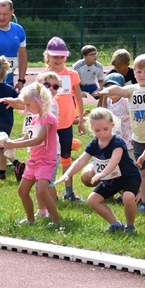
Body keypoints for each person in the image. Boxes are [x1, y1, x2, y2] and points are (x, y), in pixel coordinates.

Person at [55, 107, 141, 233]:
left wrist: (102, 173)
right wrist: (67, 174)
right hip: (111, 179)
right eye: (97, 130)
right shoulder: (94, 144)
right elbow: (81, 160)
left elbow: (115, 160)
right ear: (92, 128)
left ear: (112, 125)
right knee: (92, 200)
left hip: (129, 177)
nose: (102, 133)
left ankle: (130, 226)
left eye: (105, 129)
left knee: (127, 197)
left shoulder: (118, 142)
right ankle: (116, 224)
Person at [95, 53, 145, 212]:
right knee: (144, 172)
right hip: (138, 138)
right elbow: (118, 89)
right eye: (139, 71)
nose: (142, 75)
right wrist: (107, 90)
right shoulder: (132, 89)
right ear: (134, 73)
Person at [0, 82, 60, 224]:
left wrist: (13, 145)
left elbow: (37, 140)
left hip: (46, 161)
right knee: (22, 191)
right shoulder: (35, 118)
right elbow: (26, 138)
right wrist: (6, 143)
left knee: (42, 191)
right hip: (34, 161)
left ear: (40, 101)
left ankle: (56, 221)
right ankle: (31, 220)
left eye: (28, 104)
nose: (26, 108)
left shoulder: (49, 118)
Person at [43, 37, 86, 203]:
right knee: (49, 158)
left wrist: (80, 119)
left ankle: (69, 192)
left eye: (61, 56)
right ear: (48, 56)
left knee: (66, 157)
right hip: (48, 125)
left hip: (66, 123)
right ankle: (49, 190)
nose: (58, 59)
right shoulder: (43, 76)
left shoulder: (72, 75)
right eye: (55, 56)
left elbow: (78, 98)